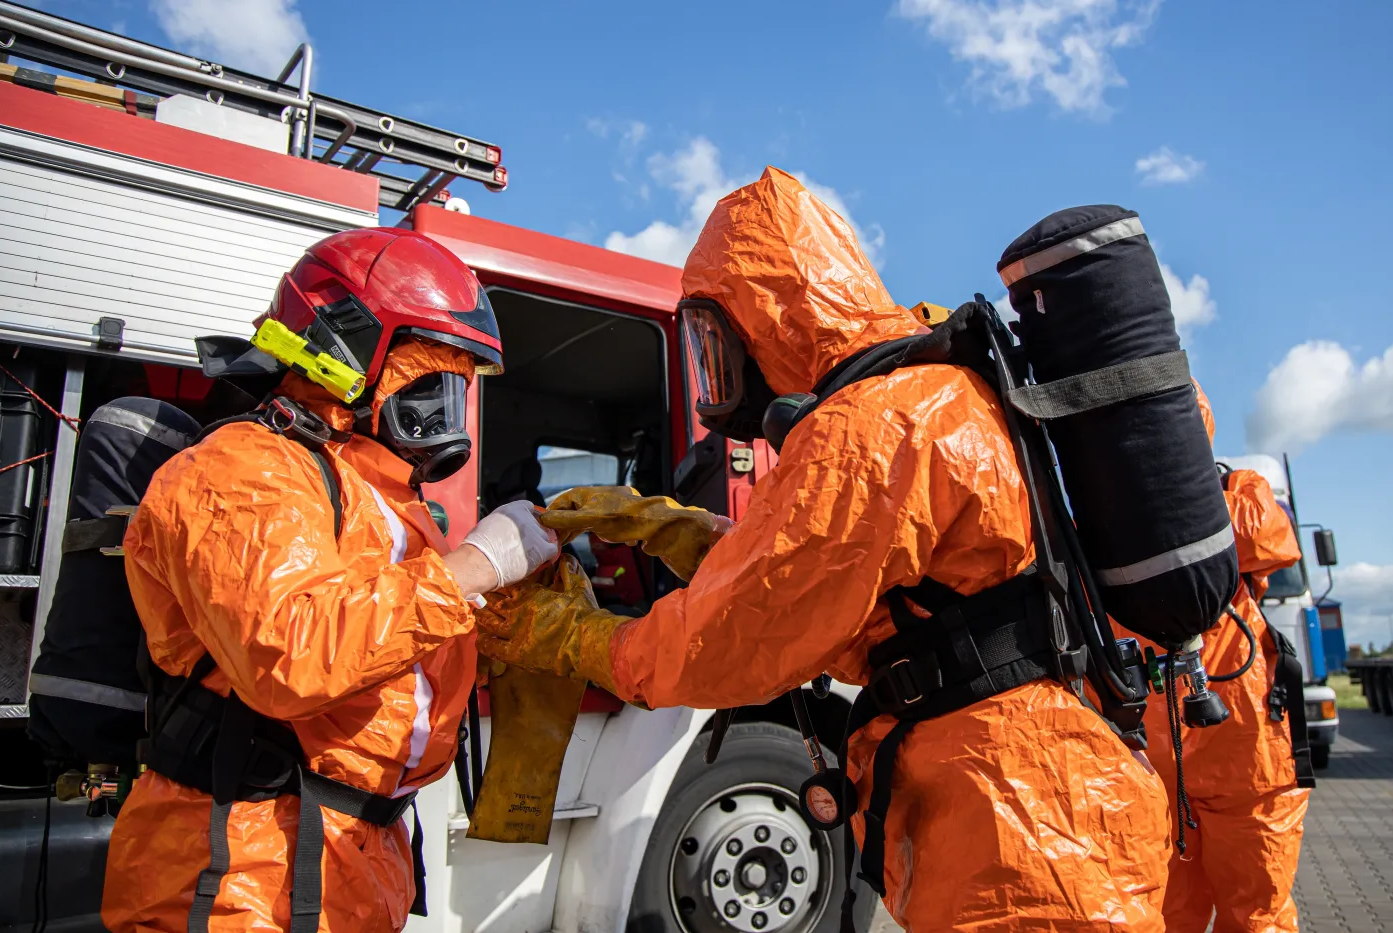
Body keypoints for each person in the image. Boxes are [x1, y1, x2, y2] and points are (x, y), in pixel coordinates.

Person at [475, 168, 1171, 932]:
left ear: (770, 316)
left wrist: (569, 637)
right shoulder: (924, 393)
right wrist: (678, 530)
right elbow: (825, 592)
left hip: (1020, 822)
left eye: (716, 338)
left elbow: (730, 639)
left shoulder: (870, 427)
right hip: (1041, 795)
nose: (719, 368)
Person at [102, 228, 559, 933]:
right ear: (346, 350)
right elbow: (288, 653)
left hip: (344, 862)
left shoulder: (379, 498)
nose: (443, 420)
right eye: (428, 384)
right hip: (242, 879)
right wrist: (472, 567)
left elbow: (387, 649)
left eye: (454, 392)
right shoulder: (242, 469)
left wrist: (509, 610)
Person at [1130, 385, 1310, 933]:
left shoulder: (1239, 489)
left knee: (1256, 912)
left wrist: (1172, 500)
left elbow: (1273, 539)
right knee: (1167, 916)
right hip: (1162, 754)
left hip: (1242, 749)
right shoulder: (1101, 517)